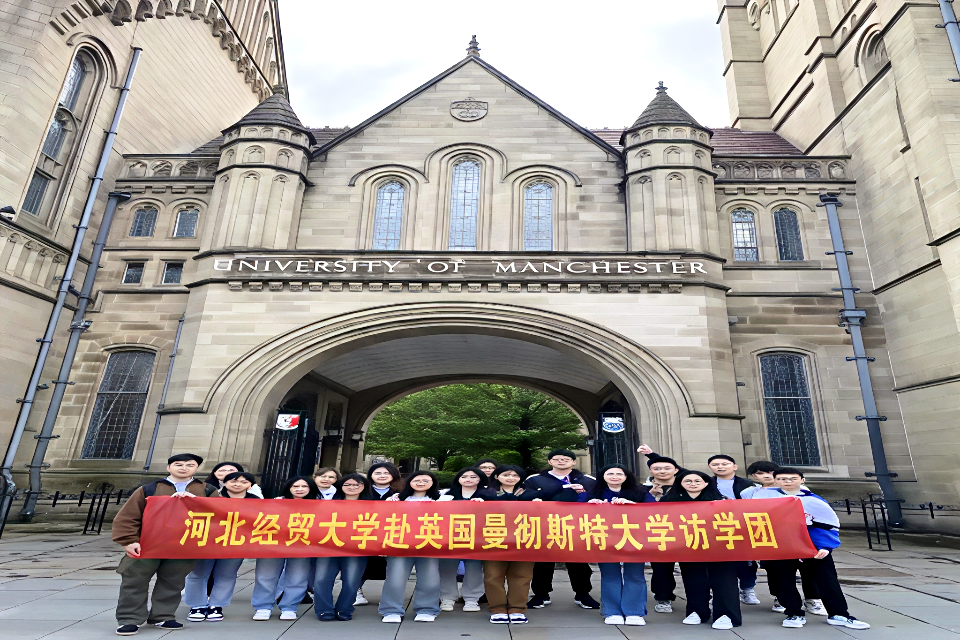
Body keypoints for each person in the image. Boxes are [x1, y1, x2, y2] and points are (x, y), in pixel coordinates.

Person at [112, 453, 218, 636]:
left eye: (190, 465)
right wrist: (128, 540)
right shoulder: (150, 488)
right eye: (178, 464)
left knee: (172, 582)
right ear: (169, 467)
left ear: (196, 468)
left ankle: (163, 615)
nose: (184, 468)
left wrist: (196, 501)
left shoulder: (207, 490)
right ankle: (129, 619)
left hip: (184, 545)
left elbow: (218, 515)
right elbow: (129, 516)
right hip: (147, 543)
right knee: (134, 581)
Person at [752, 468, 870, 630]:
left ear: (802, 480)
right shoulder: (764, 498)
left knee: (827, 581)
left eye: (792, 478)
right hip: (780, 548)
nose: (787, 482)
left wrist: (826, 546)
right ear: (776, 480)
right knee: (783, 582)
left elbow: (827, 524)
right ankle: (793, 613)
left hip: (812, 548)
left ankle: (839, 614)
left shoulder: (813, 500)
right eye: (782, 479)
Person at [661, 470, 741, 630]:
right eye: (688, 481)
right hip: (688, 546)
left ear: (706, 483)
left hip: (720, 547)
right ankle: (697, 611)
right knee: (693, 578)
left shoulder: (721, 500)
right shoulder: (669, 501)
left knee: (724, 579)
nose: (693, 484)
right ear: (680, 483)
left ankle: (726, 615)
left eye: (697, 481)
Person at [522, 449, 600, 610]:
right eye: (557, 459)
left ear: (574, 462)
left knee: (579, 562)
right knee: (543, 562)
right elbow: (524, 498)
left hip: (577, 526)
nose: (561, 461)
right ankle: (541, 594)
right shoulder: (535, 479)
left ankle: (582, 593)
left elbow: (598, 500)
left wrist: (584, 493)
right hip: (544, 526)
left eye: (566, 459)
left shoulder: (588, 480)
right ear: (550, 462)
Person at [578, 464, 654, 626]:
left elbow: (655, 511)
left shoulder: (641, 493)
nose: (614, 476)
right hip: (604, 540)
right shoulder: (590, 493)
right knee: (610, 576)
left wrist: (634, 506)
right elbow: (574, 513)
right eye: (610, 473)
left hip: (634, 539)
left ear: (626, 476)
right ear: (602, 476)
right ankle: (612, 611)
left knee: (635, 575)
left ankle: (635, 612)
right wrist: (588, 505)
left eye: (619, 474)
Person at [184, 471, 260, 622]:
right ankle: (196, 606)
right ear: (225, 483)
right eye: (233, 481)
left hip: (236, 544)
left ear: (250, 485)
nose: (238, 484)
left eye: (244, 482)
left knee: (226, 575)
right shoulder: (212, 496)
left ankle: (216, 605)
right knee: (198, 574)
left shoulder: (256, 501)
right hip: (207, 543)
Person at [251, 476, 317, 621]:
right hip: (273, 545)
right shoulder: (276, 502)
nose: (300, 489)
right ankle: (263, 607)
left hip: (302, 545)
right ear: (289, 488)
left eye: (304, 486)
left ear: (310, 488)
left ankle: (289, 607)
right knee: (265, 576)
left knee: (298, 577)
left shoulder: (319, 505)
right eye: (295, 486)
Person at [380, 472, 443, 623]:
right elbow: (382, 520)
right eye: (417, 480)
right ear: (409, 482)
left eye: (425, 480)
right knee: (395, 578)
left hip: (430, 544)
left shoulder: (443, 499)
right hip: (399, 545)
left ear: (433, 483)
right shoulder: (395, 499)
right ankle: (391, 610)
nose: (421, 483)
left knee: (430, 578)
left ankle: (427, 609)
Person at [313, 473, 376, 621]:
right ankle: (324, 610)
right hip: (329, 547)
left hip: (357, 549)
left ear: (364, 486)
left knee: (352, 581)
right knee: (322, 579)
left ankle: (345, 609)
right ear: (341, 486)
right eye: (348, 484)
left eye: (357, 484)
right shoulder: (328, 504)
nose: (352, 487)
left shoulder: (374, 506)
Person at [706, 454, 761, 606]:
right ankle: (719, 591)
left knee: (746, 560)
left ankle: (747, 588)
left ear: (734, 466)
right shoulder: (706, 483)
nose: (720, 467)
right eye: (715, 464)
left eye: (725, 464)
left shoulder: (748, 484)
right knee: (718, 561)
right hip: (715, 526)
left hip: (742, 526)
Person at [483, 465, 534, 624]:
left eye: (515, 475)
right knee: (493, 575)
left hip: (523, 540)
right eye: (506, 475)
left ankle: (517, 609)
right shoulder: (486, 493)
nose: (511, 478)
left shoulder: (530, 493)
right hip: (493, 539)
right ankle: (497, 609)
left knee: (522, 575)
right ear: (496, 476)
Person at [637, 448, 683, 613]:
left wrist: (652, 454)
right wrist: (650, 496)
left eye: (666, 468)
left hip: (685, 533)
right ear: (650, 471)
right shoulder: (641, 489)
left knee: (694, 568)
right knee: (661, 568)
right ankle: (663, 598)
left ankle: (701, 598)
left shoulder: (686, 485)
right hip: (657, 534)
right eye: (656, 468)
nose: (662, 471)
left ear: (676, 470)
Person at [438, 467, 488, 613]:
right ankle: (447, 598)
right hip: (450, 537)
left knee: (474, 569)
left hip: (477, 538)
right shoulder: (446, 494)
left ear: (480, 479)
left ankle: (472, 599)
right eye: (464, 476)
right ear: (458, 478)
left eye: (473, 477)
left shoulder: (488, 494)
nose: (468, 479)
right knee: (447, 569)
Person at [355, 462, 403, 606]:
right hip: (365, 533)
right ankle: (355, 591)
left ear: (393, 475)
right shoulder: (361, 491)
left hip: (393, 533)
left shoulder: (402, 492)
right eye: (378, 473)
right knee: (361, 563)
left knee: (394, 566)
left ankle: (391, 597)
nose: (382, 476)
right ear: (371, 475)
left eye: (386, 473)